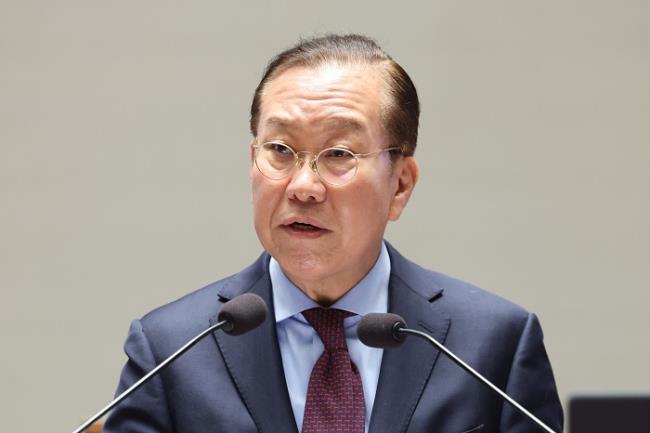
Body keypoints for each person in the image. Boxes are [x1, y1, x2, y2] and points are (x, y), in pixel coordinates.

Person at [103, 34, 563, 433]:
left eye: (339, 154)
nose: (303, 186)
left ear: (400, 185)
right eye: (280, 149)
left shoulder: (492, 345)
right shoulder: (170, 350)